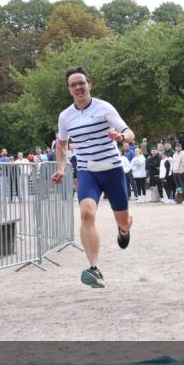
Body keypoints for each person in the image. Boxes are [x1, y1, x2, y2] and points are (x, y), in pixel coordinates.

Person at [51, 66, 135, 288]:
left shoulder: (104, 108)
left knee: (123, 220)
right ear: (69, 89)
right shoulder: (65, 116)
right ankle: (94, 268)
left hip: (113, 170)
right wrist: (61, 168)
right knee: (86, 214)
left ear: (89, 85)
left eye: (81, 83)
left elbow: (130, 133)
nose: (78, 87)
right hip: (87, 171)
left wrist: (120, 136)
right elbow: (62, 144)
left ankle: (124, 229)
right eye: (73, 85)